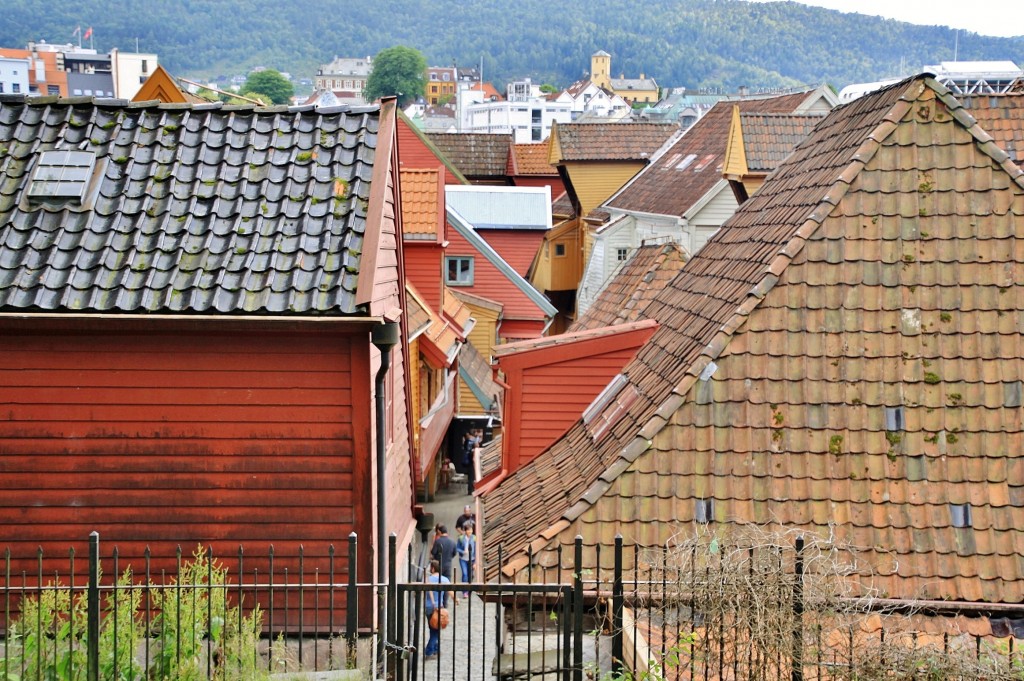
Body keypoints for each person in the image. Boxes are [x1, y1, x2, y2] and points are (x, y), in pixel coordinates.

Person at [423, 560, 449, 660]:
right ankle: (429, 651)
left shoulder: (428, 579)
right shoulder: (444, 579)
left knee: (433, 628)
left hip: (429, 608)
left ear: (433, 568)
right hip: (439, 607)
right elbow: (451, 592)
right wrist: (456, 599)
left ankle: (435, 649)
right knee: (435, 631)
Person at [455, 521, 476, 598]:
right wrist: (463, 551)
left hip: (472, 559)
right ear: (465, 531)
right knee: (465, 574)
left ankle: (469, 588)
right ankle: (465, 591)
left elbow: (476, 551)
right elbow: (457, 548)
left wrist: (475, 562)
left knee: (470, 575)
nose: (469, 531)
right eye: (468, 530)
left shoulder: (474, 538)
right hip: (463, 559)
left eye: (471, 530)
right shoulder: (461, 538)